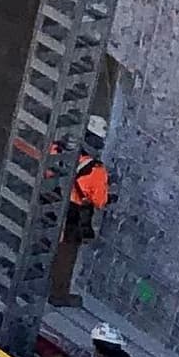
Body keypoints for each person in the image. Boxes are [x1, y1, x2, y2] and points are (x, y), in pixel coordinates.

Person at [51, 125, 115, 303]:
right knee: (66, 254)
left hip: (50, 202)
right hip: (73, 213)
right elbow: (99, 201)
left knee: (42, 242)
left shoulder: (59, 150)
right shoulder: (96, 170)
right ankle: (58, 294)